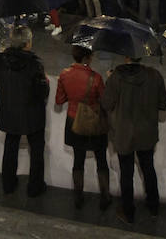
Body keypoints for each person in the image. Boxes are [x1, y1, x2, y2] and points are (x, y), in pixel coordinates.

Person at [101, 55, 166, 224]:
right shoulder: (154, 75)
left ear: (126, 56)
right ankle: (153, 206)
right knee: (148, 168)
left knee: (126, 173)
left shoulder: (116, 76)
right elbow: (164, 104)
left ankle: (128, 212)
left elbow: (106, 104)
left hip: (124, 133)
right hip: (147, 133)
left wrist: (109, 81)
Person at [0, 26, 49, 196]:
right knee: (37, 149)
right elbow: (42, 93)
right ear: (26, 43)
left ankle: (8, 184)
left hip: (8, 111)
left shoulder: (0, 60)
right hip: (32, 114)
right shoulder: (35, 65)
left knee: (10, 146)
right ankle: (35, 186)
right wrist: (45, 83)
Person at [55, 44, 111, 210]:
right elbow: (105, 101)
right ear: (87, 57)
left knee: (78, 161)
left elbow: (59, 100)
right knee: (101, 160)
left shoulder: (64, 75)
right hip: (94, 122)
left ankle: (78, 197)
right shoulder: (96, 78)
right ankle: (105, 197)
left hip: (74, 121)